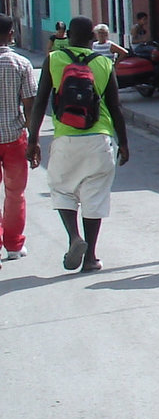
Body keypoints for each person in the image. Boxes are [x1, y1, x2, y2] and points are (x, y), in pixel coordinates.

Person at [25, 15, 130, 273]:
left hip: (65, 137)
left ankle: (74, 237)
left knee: (62, 190)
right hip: (99, 137)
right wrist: (124, 143)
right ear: (93, 38)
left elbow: (40, 103)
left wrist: (33, 139)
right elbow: (116, 107)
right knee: (94, 195)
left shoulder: (54, 59)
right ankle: (91, 257)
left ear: (68, 34)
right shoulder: (104, 62)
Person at [0, 13, 38, 264]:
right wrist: (34, 140)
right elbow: (30, 106)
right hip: (14, 139)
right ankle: (14, 245)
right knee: (15, 193)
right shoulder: (21, 63)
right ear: (11, 34)